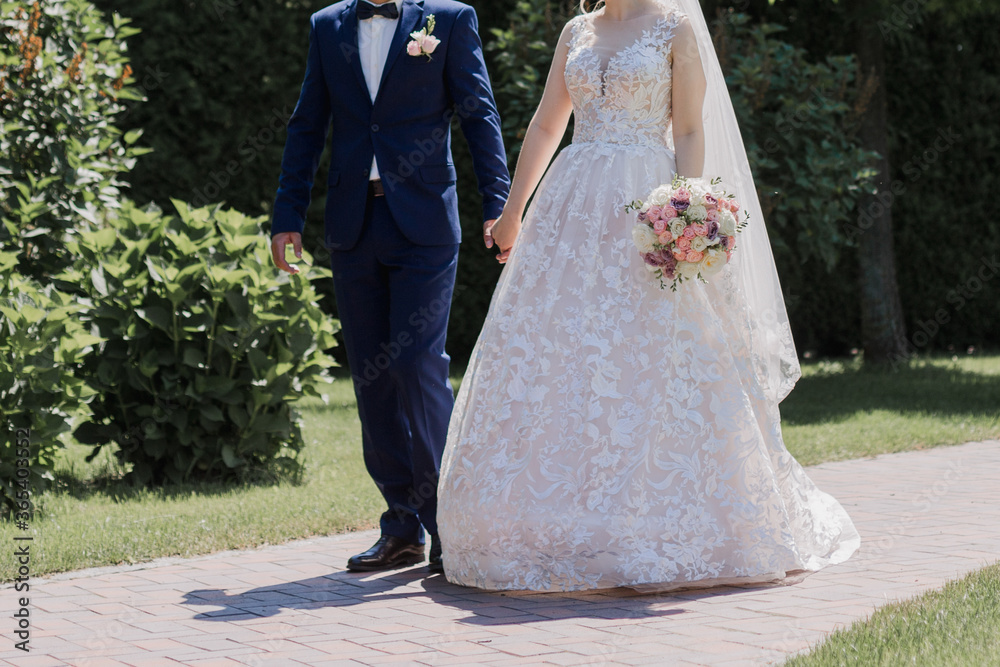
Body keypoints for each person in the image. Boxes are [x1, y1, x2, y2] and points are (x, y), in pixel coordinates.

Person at [436, 0, 860, 591]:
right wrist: (513, 211)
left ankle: (659, 520)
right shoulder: (575, 31)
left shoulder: (675, 30)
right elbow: (546, 124)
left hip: (647, 205)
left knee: (649, 356)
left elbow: (687, 128)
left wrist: (688, 211)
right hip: (573, 206)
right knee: (561, 356)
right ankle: (552, 516)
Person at [270, 0, 510, 573]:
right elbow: (308, 123)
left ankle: (449, 522)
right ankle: (402, 525)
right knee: (372, 376)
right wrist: (287, 215)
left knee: (419, 366)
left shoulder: (449, 20)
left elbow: (479, 114)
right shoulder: (327, 27)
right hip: (353, 226)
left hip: (425, 223)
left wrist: (500, 204)